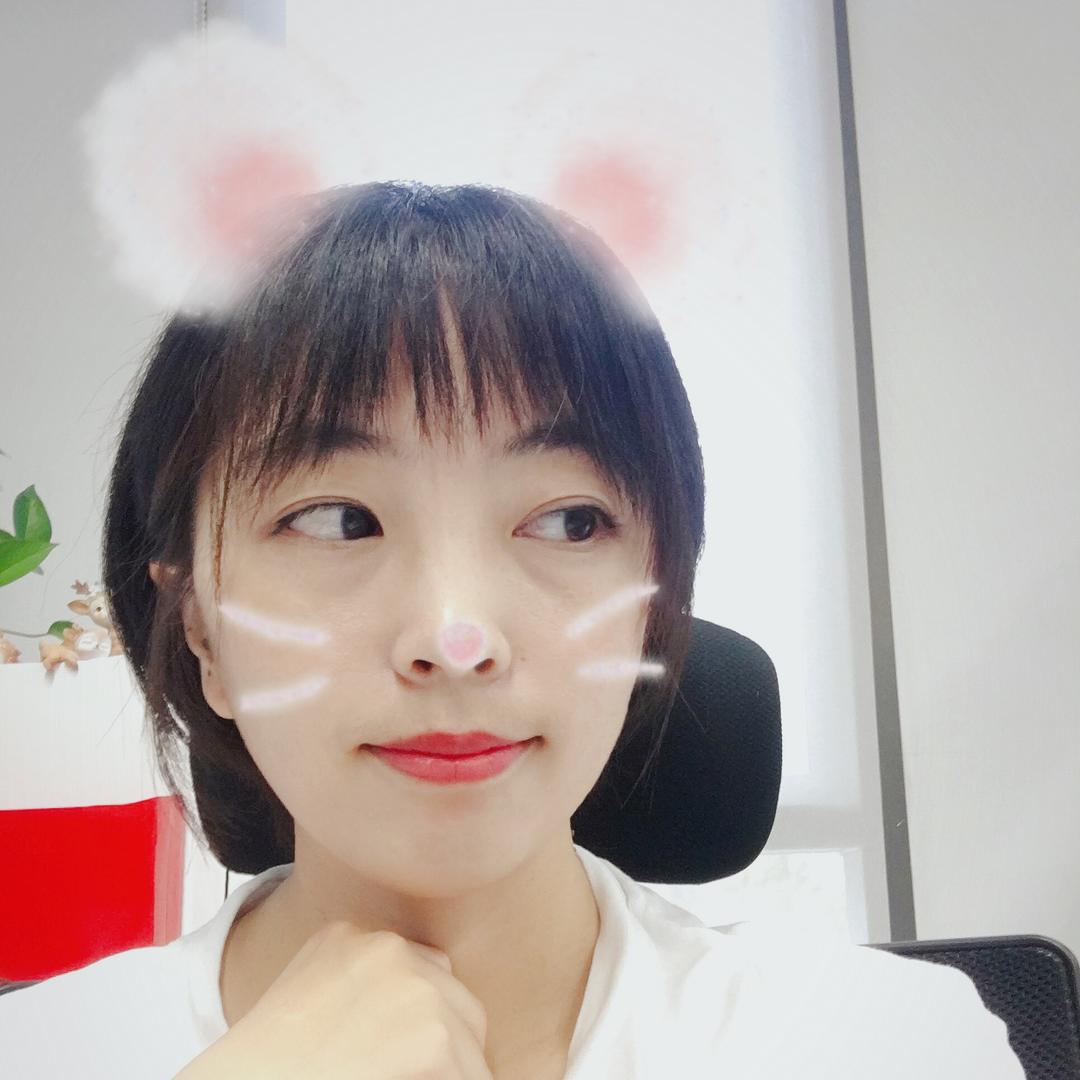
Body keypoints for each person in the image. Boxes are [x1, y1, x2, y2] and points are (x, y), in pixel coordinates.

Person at [0, 182, 1025, 1079]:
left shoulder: (883, 1046)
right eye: (339, 519)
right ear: (201, 633)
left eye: (569, 521)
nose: (456, 638)